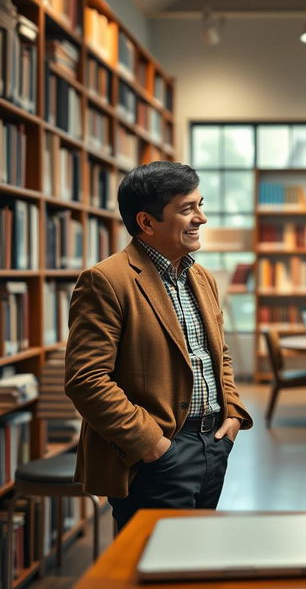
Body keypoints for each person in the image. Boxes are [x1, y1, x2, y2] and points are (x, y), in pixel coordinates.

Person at [65, 160, 252, 529]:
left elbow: (218, 354)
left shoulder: (200, 277)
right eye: (187, 209)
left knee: (196, 557)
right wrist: (152, 444)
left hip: (213, 443)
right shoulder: (106, 280)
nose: (201, 218)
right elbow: (86, 380)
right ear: (146, 222)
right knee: (151, 569)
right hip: (158, 452)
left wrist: (232, 413)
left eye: (201, 205)